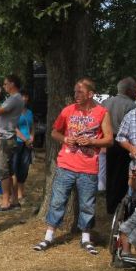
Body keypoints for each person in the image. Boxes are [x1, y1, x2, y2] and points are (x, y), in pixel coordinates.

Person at [32, 78, 113, 254]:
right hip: (66, 164)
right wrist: (66, 139)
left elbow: (109, 139)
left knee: (87, 204)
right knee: (57, 201)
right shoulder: (68, 110)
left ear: (90, 94)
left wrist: (92, 141)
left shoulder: (102, 112)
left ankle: (86, 239)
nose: (76, 95)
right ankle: (48, 237)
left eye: (80, 92)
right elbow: (54, 131)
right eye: (75, 91)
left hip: (88, 167)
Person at [101, 77, 136, 213]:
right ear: (128, 90)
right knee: (121, 174)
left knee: (110, 173)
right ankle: (120, 205)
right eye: (134, 89)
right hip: (123, 141)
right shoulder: (131, 106)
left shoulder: (105, 102)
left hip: (107, 140)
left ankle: (110, 205)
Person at [0, 74, 24, 211]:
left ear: (12, 84)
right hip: (9, 136)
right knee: (10, 171)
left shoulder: (14, 99)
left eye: (5, 84)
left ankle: (5, 202)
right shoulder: (15, 98)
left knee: (3, 170)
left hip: (6, 138)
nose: (4, 87)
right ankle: (15, 199)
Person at [11, 89, 34, 204]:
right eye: (21, 97)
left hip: (28, 144)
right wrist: (25, 139)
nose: (24, 99)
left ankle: (21, 194)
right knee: (14, 168)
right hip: (17, 143)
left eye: (25, 97)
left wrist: (32, 137)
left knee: (24, 169)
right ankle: (14, 195)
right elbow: (13, 128)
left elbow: (32, 126)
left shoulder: (29, 112)